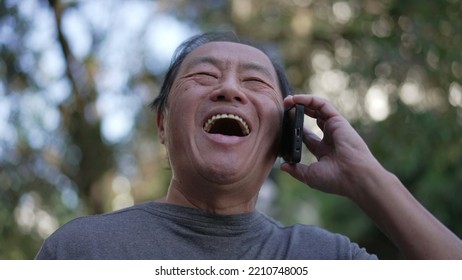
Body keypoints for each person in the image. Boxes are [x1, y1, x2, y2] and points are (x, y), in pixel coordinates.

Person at [36, 32, 462, 260]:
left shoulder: (329, 259)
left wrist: (367, 179)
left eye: (255, 82)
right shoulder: (80, 251)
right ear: (163, 124)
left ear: (284, 134)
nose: (228, 89)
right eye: (203, 76)